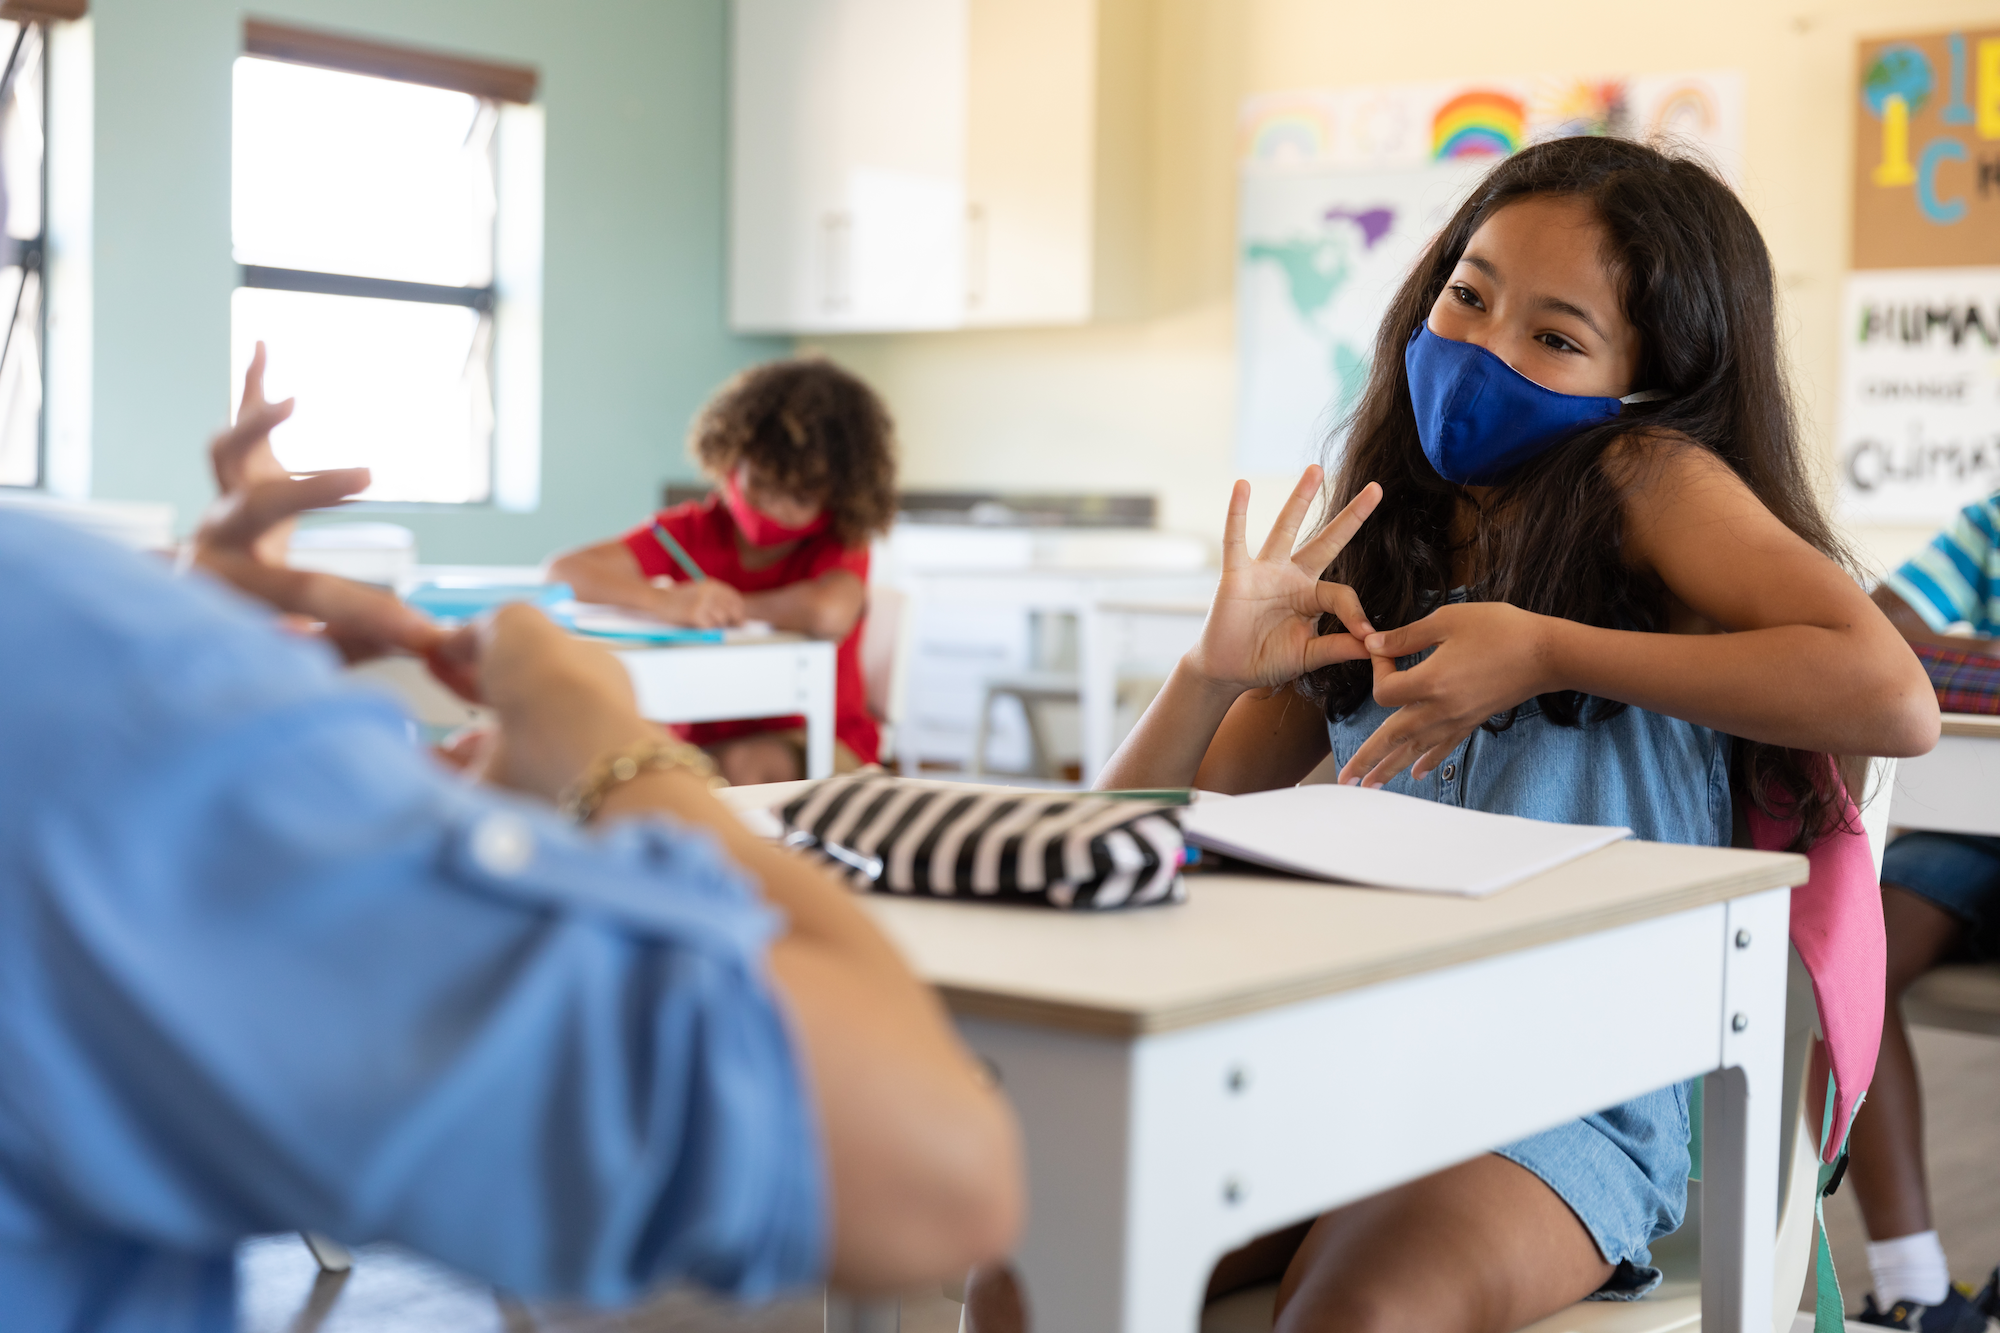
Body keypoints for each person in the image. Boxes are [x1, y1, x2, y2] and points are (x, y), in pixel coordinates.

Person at [968, 136, 1937, 1333]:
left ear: (1647, 379)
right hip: (1332, 1056)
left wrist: (1547, 648)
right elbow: (1136, 842)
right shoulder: (1385, 524)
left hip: (1560, 1092)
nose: (1481, 349)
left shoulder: (1642, 477)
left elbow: (1891, 697)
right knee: (1025, 1273)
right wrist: (1205, 676)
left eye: (1554, 335)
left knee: (1359, 1308)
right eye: (1466, 295)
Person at [0, 359, 1022, 1333]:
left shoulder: (71, 666)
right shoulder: (77, 662)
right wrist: (612, 746)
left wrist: (189, 648)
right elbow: (933, 1171)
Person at [548, 357, 899, 785]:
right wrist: (666, 602)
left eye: (798, 498)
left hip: (820, 741)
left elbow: (828, 614)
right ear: (732, 456)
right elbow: (564, 571)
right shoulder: (691, 531)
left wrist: (732, 605)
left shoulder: (840, 541)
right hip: (699, 744)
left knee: (735, 769)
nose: (772, 508)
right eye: (762, 485)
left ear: (839, 496)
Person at [1844, 490, 2000, 1332]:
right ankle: (1915, 1287)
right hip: (1972, 828)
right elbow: (1882, 638)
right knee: (1845, 961)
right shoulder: (1995, 523)